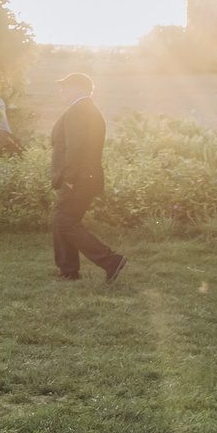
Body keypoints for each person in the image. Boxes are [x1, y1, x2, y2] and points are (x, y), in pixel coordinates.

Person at [50, 71, 123, 282]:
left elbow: (76, 149)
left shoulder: (79, 111)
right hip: (84, 178)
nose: (62, 90)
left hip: (78, 179)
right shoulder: (84, 110)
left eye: (66, 86)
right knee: (62, 220)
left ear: (81, 88)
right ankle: (68, 270)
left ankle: (111, 261)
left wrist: (70, 179)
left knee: (65, 222)